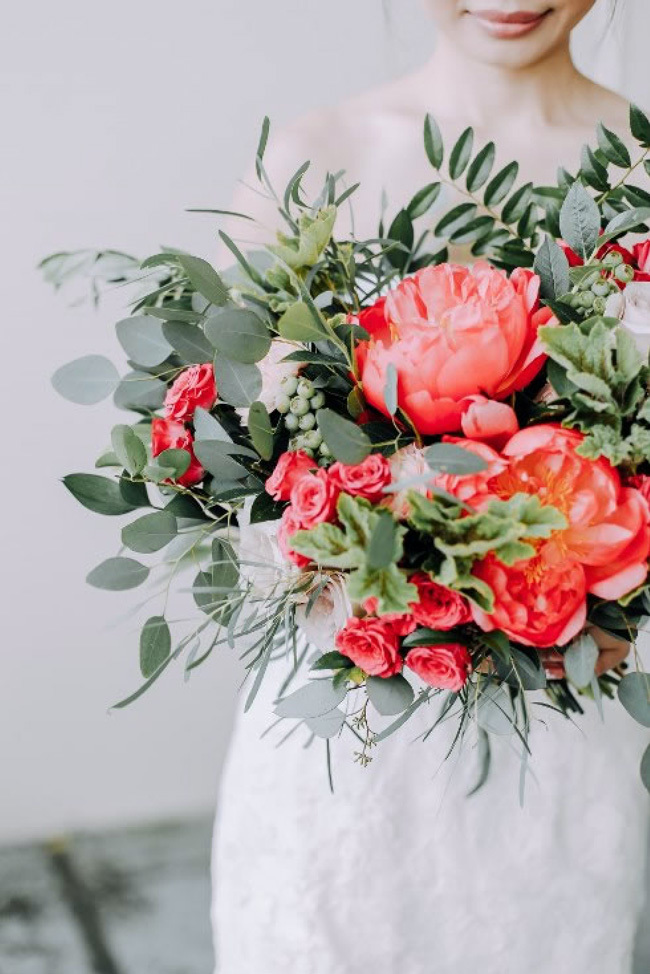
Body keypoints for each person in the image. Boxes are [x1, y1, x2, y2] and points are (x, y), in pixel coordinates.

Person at [211, 3, 650, 972]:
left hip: (565, 721)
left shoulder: (641, 174)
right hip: (345, 722)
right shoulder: (310, 160)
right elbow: (228, 460)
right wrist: (341, 563)